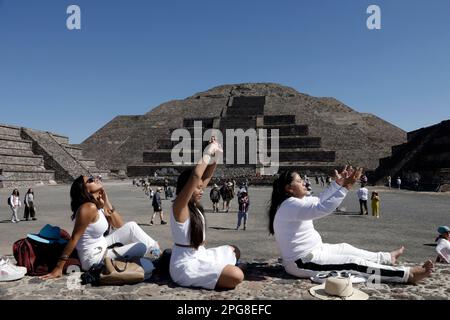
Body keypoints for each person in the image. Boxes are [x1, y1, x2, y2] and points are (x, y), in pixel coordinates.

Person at [268, 167, 433, 284]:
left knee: (346, 247)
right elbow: (322, 208)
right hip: (301, 262)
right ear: (289, 188)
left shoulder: (295, 202)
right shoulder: (290, 205)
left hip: (316, 250)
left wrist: (337, 184)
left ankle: (386, 258)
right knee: (352, 263)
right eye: (299, 181)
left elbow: (319, 200)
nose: (304, 182)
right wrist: (345, 187)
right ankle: (407, 275)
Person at [41, 175, 160, 279]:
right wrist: (58, 267)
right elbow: (74, 238)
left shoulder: (97, 204)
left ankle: (156, 250)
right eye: (91, 180)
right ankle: (157, 257)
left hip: (102, 244)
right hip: (93, 257)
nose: (96, 179)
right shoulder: (88, 208)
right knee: (141, 247)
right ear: (85, 190)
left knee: (132, 226)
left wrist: (106, 200)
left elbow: (118, 224)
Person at [170, 140, 244, 290]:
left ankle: (218, 270)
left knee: (235, 250)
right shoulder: (180, 206)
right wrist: (207, 152)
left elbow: (206, 175)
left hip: (201, 254)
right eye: (197, 188)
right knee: (237, 276)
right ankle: (221, 271)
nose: (202, 189)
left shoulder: (193, 204)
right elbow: (196, 176)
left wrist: (216, 156)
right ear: (187, 189)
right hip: (186, 265)